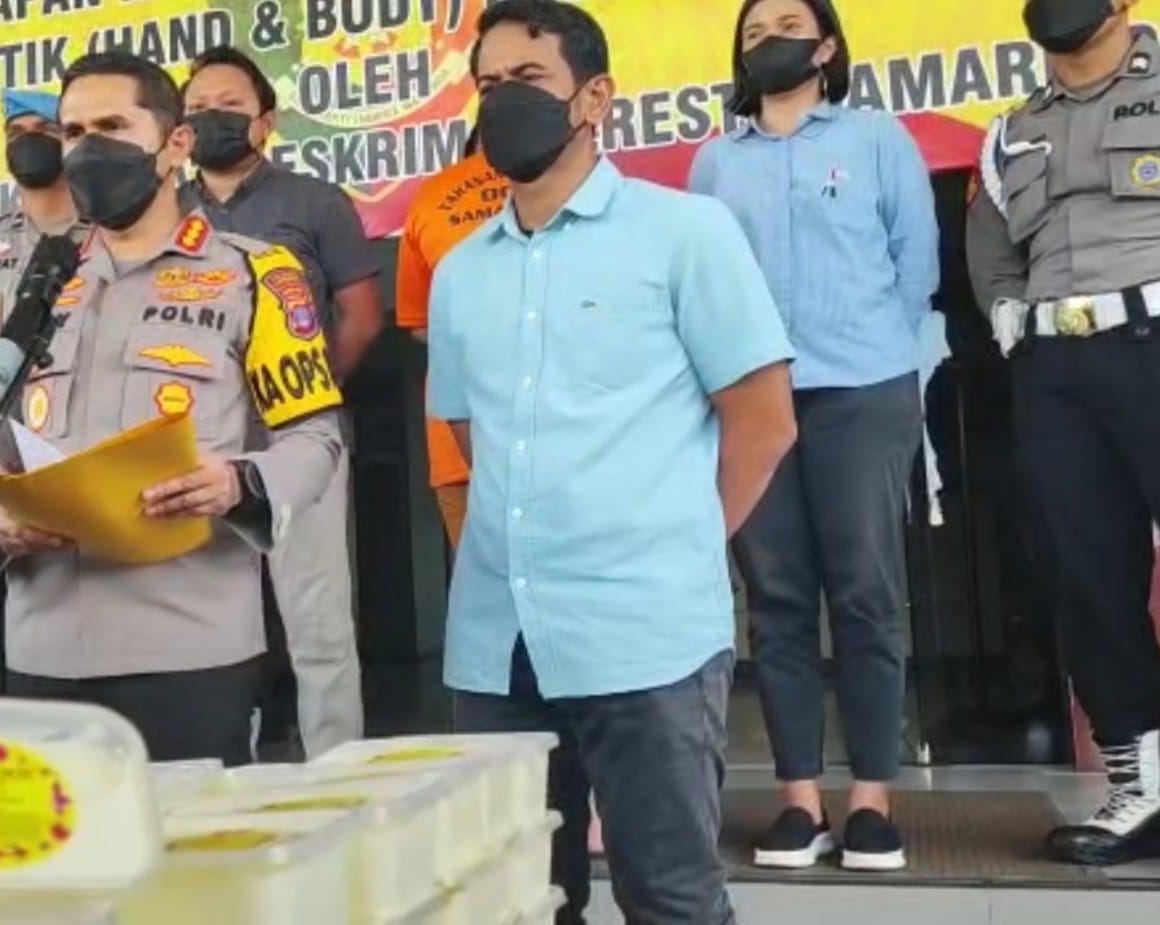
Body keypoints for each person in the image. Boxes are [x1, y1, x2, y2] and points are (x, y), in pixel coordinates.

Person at [429, 2, 798, 922]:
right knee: (512, 901)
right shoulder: (459, 271)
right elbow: (473, 438)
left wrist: (675, 539)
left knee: (670, 898)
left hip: (647, 635)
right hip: (498, 643)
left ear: (595, 98)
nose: (502, 101)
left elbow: (763, 421)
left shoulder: (686, 232)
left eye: (527, 80)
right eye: (487, 84)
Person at [0, 50, 344, 766]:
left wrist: (239, 481)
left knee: (194, 840)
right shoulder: (36, 285)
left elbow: (316, 440)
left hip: (191, 647)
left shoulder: (255, 272)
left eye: (113, 126)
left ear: (176, 144)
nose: (89, 149)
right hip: (41, 649)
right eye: (74, 132)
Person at [688, 0, 939, 872]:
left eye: (788, 26)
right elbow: (702, 281)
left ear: (826, 45)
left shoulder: (876, 139)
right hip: (755, 400)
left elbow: (916, 265)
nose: (771, 41)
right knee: (776, 597)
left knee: (866, 589)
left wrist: (870, 348)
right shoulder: (716, 161)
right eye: (754, 32)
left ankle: (872, 797)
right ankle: (800, 799)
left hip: (863, 389)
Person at [968, 0, 1160, 866]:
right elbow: (991, 246)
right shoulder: (1010, 132)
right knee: (1087, 577)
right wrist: (1011, 318)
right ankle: (1140, 787)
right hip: (1056, 366)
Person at [180, 45, 380, 758]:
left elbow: (361, 315)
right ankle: (223, 773)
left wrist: (304, 403)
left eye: (230, 106)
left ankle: (337, 773)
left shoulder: (314, 202)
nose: (213, 117)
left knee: (318, 625)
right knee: (208, 628)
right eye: (198, 107)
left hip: (300, 447)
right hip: (198, 453)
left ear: (266, 121)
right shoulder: (166, 211)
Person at [0, 88, 88, 695]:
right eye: (17, 131)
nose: (30, 141)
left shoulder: (103, 230)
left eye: (46, 129)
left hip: (74, 435)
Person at [395, 128, 509, 548]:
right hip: (571, 440)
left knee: (485, 579)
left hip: (459, 443)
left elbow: (420, 323)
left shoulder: (432, 197)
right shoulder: (570, 189)